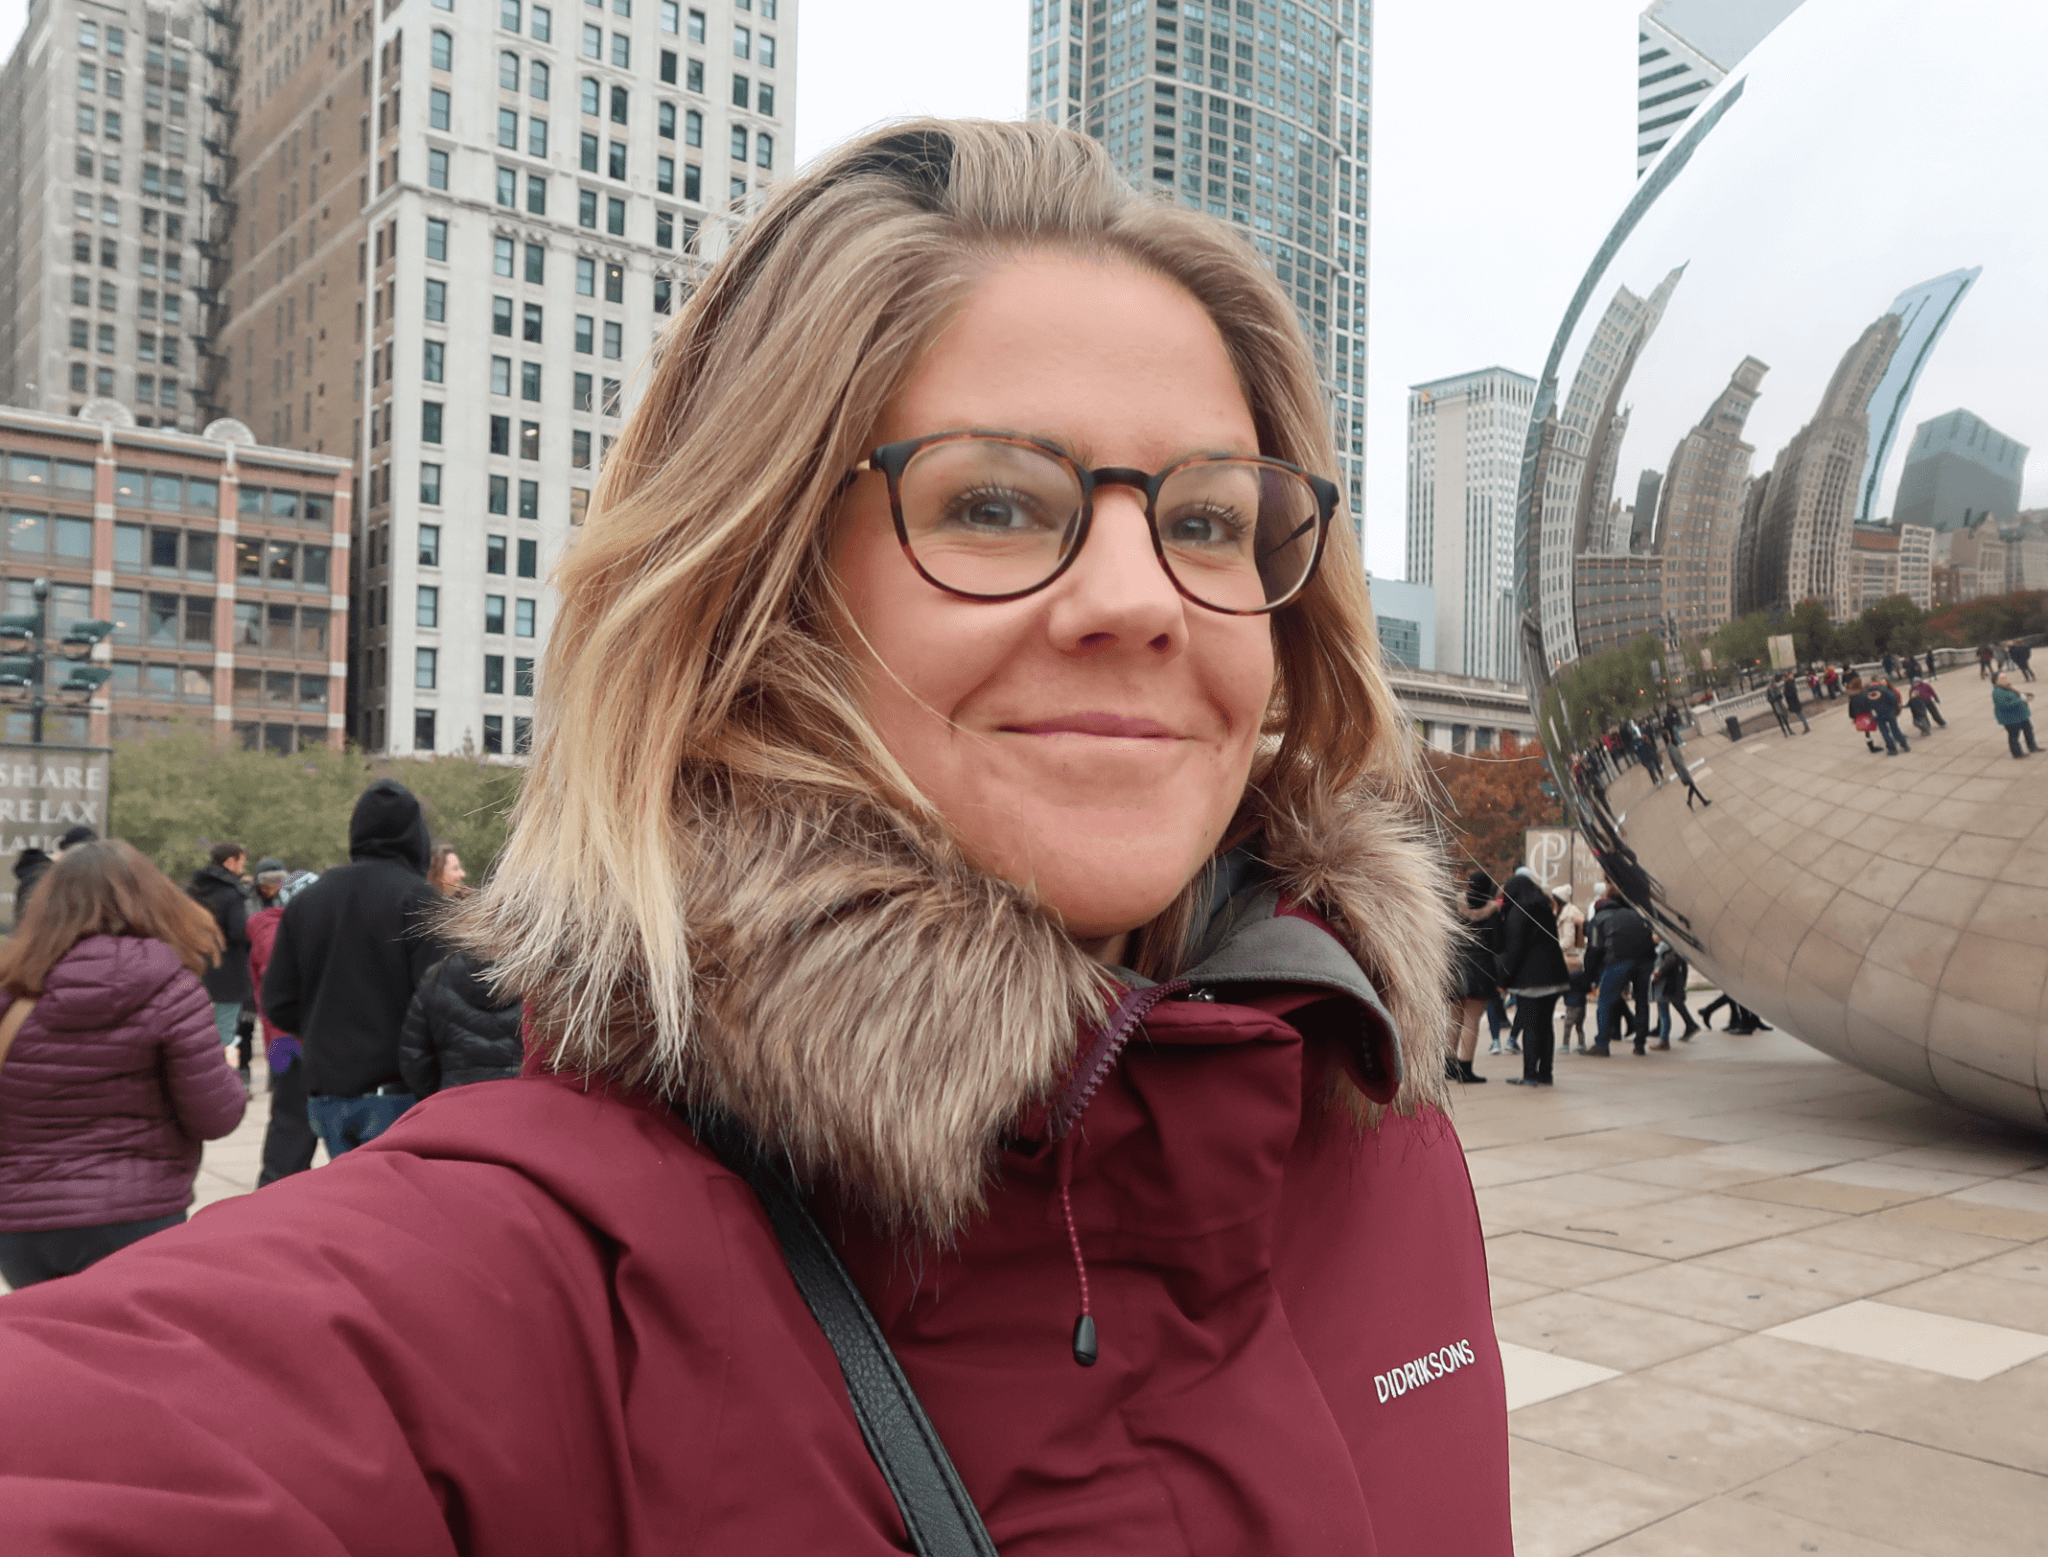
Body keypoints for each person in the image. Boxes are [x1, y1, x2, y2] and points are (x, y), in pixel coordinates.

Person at [0, 122, 1512, 1552]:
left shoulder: (1375, 1132)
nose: (1141, 598)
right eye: (996, 500)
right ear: (756, 592)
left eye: (1203, 520)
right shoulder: (531, 1281)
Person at [0, 840, 245, 1288]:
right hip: (137, 1216)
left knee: (53, 1356)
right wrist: (227, 1072)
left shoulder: (12, 991)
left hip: (23, 1228)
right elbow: (215, 1116)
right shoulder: (173, 989)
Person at [261, 780, 444, 1158]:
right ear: (416, 835)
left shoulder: (306, 902)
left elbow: (278, 1002)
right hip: (398, 1093)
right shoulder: (420, 900)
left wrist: (326, 1025)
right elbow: (439, 1003)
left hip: (327, 1093)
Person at [247, 864, 320, 1186]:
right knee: (292, 1128)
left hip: (284, 1041)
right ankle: (275, 1194)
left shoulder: (275, 930)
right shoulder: (279, 935)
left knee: (291, 1125)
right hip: (291, 1043)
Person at [398, 954, 524, 1098]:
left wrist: (436, 1098)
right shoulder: (542, 978)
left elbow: (415, 1061)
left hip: (453, 1101)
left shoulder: (437, 976)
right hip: (521, 1101)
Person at [1497, 867, 1569, 1086]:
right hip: (1554, 976)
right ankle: (1545, 1073)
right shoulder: (1544, 909)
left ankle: (1529, 1074)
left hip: (1531, 979)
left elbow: (1514, 949)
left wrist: (1503, 979)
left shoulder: (1518, 912)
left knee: (1531, 1026)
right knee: (1546, 1026)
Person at [185, 841, 251, 1054]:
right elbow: (239, 933)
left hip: (193, 965)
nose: (243, 867)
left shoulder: (192, 889)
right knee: (225, 1030)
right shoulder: (233, 894)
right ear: (230, 862)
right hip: (228, 969)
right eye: (242, 861)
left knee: (194, 1027)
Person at [1584, 890, 1655, 1057]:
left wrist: (1589, 974)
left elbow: (1594, 949)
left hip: (1619, 959)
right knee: (1641, 1001)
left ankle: (1602, 1044)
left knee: (1605, 1001)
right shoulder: (1633, 913)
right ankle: (1640, 1044)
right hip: (1645, 959)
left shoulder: (1598, 919)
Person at [1447, 870, 1501, 1084]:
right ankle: (1465, 1068)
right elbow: (1498, 944)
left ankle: (1448, 1064)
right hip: (1480, 968)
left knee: (1453, 1018)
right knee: (1471, 1021)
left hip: (1455, 966)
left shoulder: (1454, 907)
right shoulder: (1493, 912)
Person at [1553, 885, 1589, 1053]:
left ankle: (1566, 1044)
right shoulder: (1570, 911)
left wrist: (1552, 948)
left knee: (1571, 1013)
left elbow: (1567, 941)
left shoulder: (1567, 915)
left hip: (1569, 961)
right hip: (1572, 961)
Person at [1650, 941, 1698, 1047]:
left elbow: (1669, 962)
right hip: (1671, 984)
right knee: (1667, 1008)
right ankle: (1665, 1034)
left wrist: (1657, 973)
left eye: (1654, 933)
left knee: (1664, 1011)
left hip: (1665, 985)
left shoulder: (1665, 947)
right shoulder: (1672, 946)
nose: (1652, 936)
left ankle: (1664, 1039)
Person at [1993, 672, 2039, 758]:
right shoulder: (1997, 692)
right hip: (2011, 718)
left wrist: (2025, 695)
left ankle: (2032, 746)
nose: (2005, 680)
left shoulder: (2008, 687)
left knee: (2028, 731)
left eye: (2005, 678)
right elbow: (2005, 705)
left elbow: (2018, 695)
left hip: (2021, 715)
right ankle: (2017, 753)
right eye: (2002, 678)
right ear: (1996, 681)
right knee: (2014, 736)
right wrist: (2022, 700)